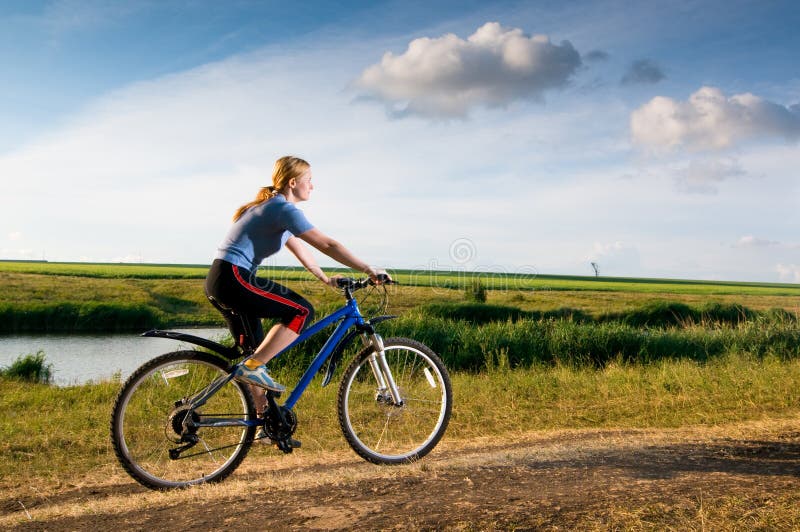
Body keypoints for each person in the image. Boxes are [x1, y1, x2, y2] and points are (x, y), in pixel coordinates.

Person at [204, 155, 386, 408]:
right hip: (232, 277)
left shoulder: (272, 209)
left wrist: (325, 279)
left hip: (221, 280)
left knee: (254, 356)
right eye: (309, 180)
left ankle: (262, 426)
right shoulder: (282, 209)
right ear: (292, 183)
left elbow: (301, 250)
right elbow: (327, 244)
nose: (312, 186)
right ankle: (254, 366)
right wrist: (368, 268)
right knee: (301, 310)